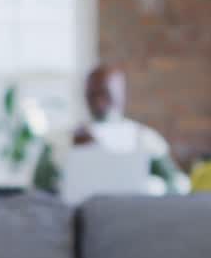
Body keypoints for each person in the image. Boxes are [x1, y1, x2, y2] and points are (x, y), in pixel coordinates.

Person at [70, 65, 189, 194]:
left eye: (105, 93)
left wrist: (155, 187)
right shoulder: (65, 140)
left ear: (120, 93)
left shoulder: (143, 137)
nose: (98, 102)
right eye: (92, 95)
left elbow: (179, 183)